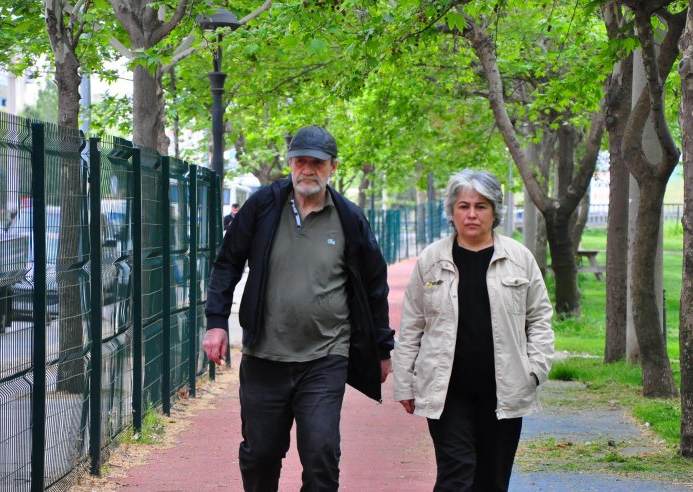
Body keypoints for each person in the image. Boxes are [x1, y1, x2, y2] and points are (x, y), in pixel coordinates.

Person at [203, 125, 394, 492]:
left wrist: (382, 348)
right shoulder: (263, 206)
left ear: (333, 167)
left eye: (317, 163)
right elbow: (227, 262)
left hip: (325, 356)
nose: (307, 170)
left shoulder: (350, 219)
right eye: (300, 161)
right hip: (264, 354)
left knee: (321, 452)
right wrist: (216, 322)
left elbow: (374, 286)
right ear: (290, 164)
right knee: (260, 453)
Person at [392, 169, 554, 492]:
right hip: (447, 391)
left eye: (481, 206)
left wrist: (534, 370)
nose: (471, 214)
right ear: (451, 211)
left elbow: (540, 319)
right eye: (463, 206)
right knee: (456, 473)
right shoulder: (431, 261)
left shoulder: (519, 259)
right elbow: (411, 325)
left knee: (492, 480)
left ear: (495, 211)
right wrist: (405, 384)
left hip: (504, 389)